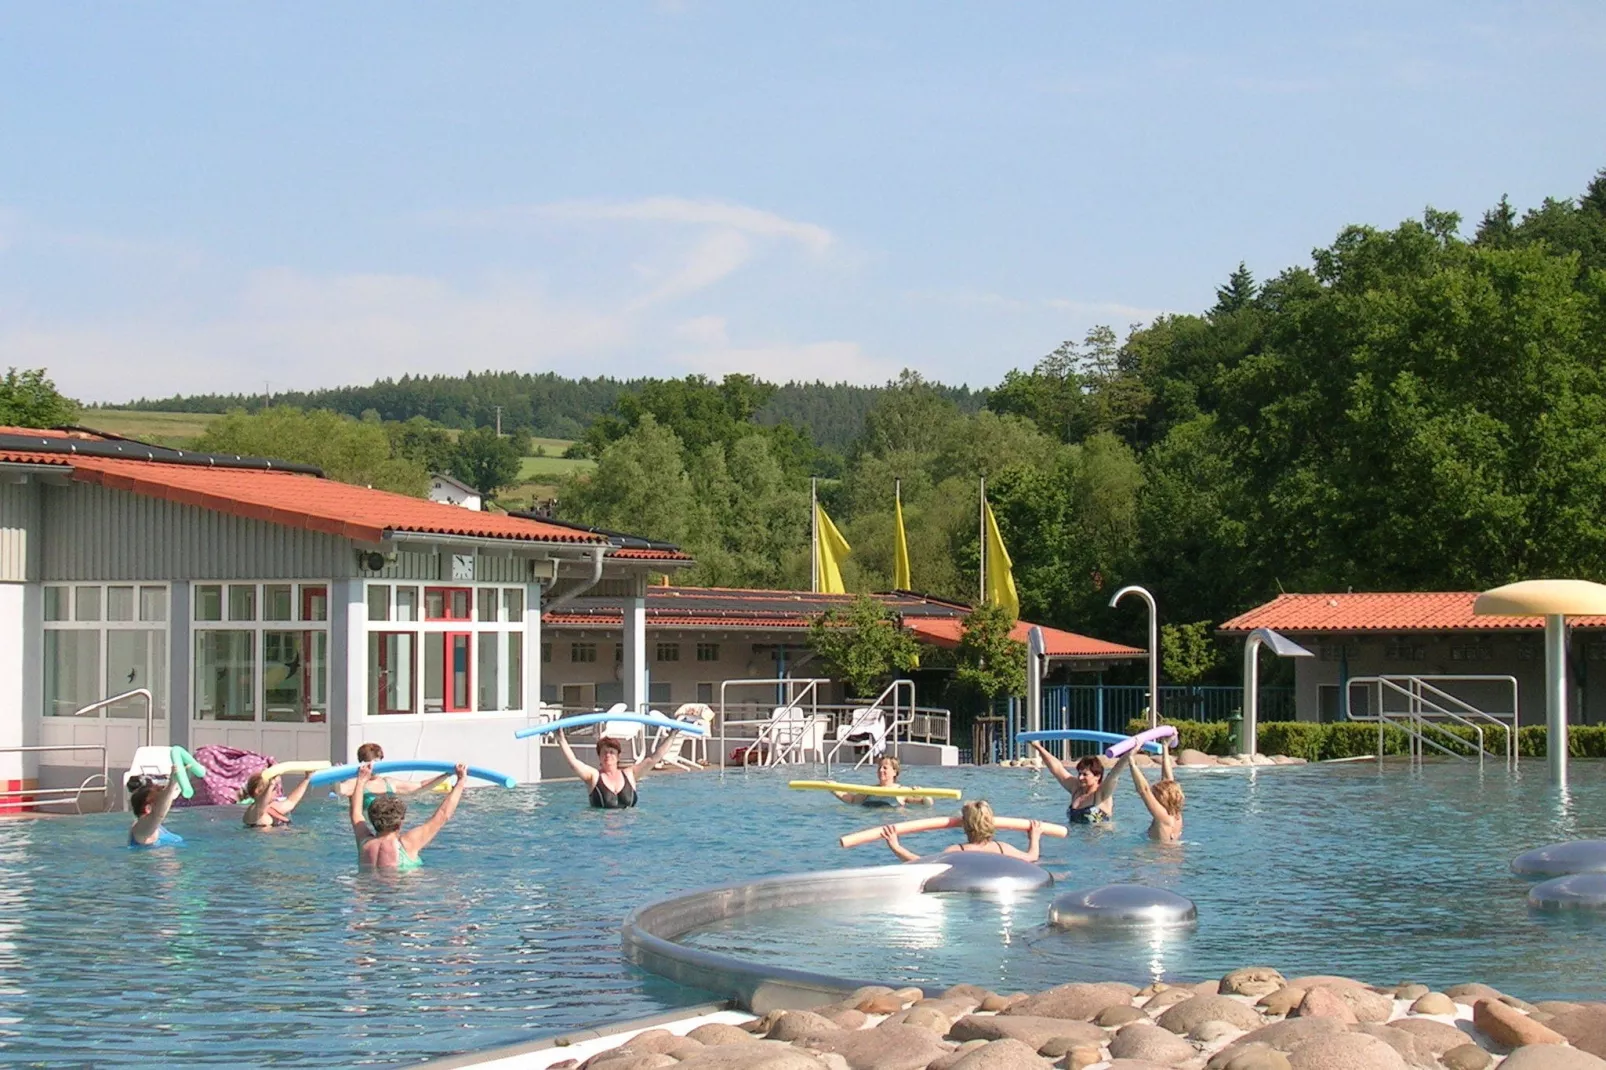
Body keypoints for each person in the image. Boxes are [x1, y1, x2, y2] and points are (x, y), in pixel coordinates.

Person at [351, 762, 468, 870]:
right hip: (402, 890)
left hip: (367, 890)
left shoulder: (364, 843)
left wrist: (361, 780)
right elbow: (443, 815)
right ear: (400, 822)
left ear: (371, 818)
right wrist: (461, 781)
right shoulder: (407, 844)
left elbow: (356, 813)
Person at [554, 729, 687, 809]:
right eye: (604, 752)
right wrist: (561, 739)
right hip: (601, 831)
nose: (608, 755)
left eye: (611, 752)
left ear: (618, 756)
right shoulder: (593, 776)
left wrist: (672, 735)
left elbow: (654, 759)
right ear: (599, 757)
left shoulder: (630, 774)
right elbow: (573, 763)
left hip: (630, 831)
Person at [880, 800, 1044, 862]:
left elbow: (922, 863)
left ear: (964, 826)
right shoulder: (1003, 848)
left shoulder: (956, 852)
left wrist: (896, 846)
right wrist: (1034, 837)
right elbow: (1032, 857)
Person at [1030, 742, 1130, 824]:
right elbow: (1057, 768)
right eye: (1079, 774)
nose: (1080, 777)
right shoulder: (1076, 788)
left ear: (1097, 776)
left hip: (1100, 844)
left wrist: (1129, 753)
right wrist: (1038, 747)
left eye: (1085, 774)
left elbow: (1115, 773)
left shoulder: (1102, 793)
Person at [336, 742, 452, 811]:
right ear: (362, 763)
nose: (375, 767)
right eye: (371, 763)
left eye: (378, 762)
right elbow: (339, 790)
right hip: (367, 829)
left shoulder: (389, 783)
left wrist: (446, 774)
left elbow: (420, 786)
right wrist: (336, 776)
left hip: (390, 828)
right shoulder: (356, 783)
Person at [1129, 744, 1184, 842]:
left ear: (1163, 798)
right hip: (1175, 854)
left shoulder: (1163, 816)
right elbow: (1168, 779)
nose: (1153, 798)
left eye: (1155, 796)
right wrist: (1165, 747)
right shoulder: (1177, 816)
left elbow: (1144, 790)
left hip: (1158, 855)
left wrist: (1131, 762)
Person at [832, 755, 935, 807]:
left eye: (885, 768)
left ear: (895, 771)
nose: (881, 770)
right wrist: (834, 788)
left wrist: (924, 794)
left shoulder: (902, 791)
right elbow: (852, 800)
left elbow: (926, 804)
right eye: (879, 767)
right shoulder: (869, 790)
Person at [240, 770, 314, 828]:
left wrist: (307, 778)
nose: (276, 791)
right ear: (258, 792)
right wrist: (271, 785)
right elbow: (261, 803)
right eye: (274, 789)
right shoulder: (253, 811)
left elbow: (291, 801)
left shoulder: (272, 807)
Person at [128, 775, 185, 848]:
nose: (166, 802)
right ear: (148, 808)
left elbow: (171, 795)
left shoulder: (157, 828)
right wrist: (172, 782)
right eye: (160, 799)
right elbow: (158, 814)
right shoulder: (141, 829)